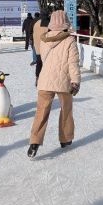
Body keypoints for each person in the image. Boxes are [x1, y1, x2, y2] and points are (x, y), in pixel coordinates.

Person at [27, 10, 81, 158]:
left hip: (45, 79)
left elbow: (44, 59)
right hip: (64, 80)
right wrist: (75, 81)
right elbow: (73, 63)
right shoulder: (69, 40)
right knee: (66, 110)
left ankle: (34, 142)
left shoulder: (44, 39)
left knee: (41, 112)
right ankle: (66, 139)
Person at [32, 11, 49, 86]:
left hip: (38, 46)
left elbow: (33, 33)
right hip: (47, 47)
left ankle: (37, 78)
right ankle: (46, 79)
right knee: (48, 64)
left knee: (39, 63)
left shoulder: (36, 23)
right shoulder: (48, 23)